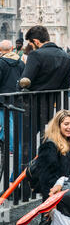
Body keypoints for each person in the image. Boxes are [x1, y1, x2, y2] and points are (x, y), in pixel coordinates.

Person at [36, 110, 70, 225]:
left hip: (67, 194)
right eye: (66, 124)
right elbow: (46, 179)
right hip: (55, 197)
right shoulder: (49, 146)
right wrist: (51, 203)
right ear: (58, 125)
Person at [18, 25, 70, 91]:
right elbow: (66, 83)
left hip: (37, 98)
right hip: (57, 99)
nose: (32, 47)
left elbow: (25, 80)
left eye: (31, 44)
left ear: (36, 41)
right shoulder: (66, 56)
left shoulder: (35, 55)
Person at [0, 40, 25, 171]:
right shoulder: (20, 62)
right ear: (12, 49)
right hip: (17, 97)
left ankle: (10, 146)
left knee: (6, 121)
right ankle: (8, 143)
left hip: (3, 97)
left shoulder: (1, 63)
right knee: (11, 121)